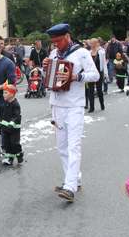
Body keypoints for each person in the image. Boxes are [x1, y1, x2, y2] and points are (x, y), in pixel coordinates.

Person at [42, 23, 99, 203]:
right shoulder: (53, 54)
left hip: (74, 105)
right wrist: (46, 67)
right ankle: (73, 179)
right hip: (57, 104)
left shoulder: (81, 53)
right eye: (53, 42)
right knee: (61, 147)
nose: (55, 45)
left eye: (58, 41)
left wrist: (76, 77)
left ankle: (70, 186)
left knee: (73, 146)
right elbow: (50, 75)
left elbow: (95, 75)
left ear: (67, 36)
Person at [0, 82, 23, 165]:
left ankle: (19, 154)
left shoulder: (15, 104)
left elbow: (17, 115)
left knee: (14, 143)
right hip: (5, 128)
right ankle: (9, 158)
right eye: (3, 93)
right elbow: (1, 112)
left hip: (14, 128)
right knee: (6, 143)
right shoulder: (5, 103)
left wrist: (12, 122)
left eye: (5, 93)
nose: (3, 95)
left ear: (12, 94)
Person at [87, 38, 108, 112]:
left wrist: (105, 73)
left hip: (99, 72)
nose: (91, 44)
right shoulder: (88, 53)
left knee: (99, 90)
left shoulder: (101, 52)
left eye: (92, 43)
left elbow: (104, 63)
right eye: (90, 43)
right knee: (90, 90)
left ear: (96, 44)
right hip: (91, 73)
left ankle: (102, 104)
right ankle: (91, 107)